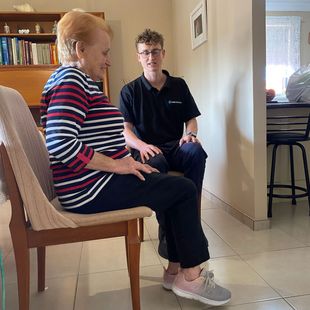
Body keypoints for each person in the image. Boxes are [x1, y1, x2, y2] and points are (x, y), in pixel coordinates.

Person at [40, 11, 231, 306]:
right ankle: (190, 276)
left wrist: (124, 164)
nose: (109, 60)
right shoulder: (72, 82)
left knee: (173, 189)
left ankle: (177, 271)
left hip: (91, 184)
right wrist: (119, 164)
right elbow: (60, 142)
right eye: (104, 52)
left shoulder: (74, 80)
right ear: (80, 49)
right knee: (182, 190)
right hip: (89, 189)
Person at [119, 29, 207, 258]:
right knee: (157, 162)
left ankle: (192, 213)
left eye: (155, 51)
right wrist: (140, 145)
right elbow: (125, 130)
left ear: (163, 53)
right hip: (148, 150)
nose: (151, 57)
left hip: (176, 146)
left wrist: (191, 134)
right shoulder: (129, 91)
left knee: (196, 151)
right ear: (138, 57)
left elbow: (191, 119)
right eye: (145, 53)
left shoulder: (179, 85)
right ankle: (168, 235)